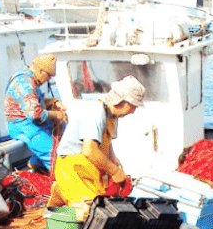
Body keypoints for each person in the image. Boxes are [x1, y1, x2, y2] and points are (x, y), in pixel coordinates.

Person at [51, 75, 145, 207]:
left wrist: (115, 162)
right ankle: (55, 222)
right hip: (73, 171)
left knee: (102, 207)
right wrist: (114, 171)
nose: (133, 111)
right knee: (86, 211)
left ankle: (60, 218)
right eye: (133, 106)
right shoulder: (95, 111)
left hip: (90, 171)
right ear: (123, 101)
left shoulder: (112, 116)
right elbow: (89, 151)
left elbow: (107, 144)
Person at [4, 55, 67, 174]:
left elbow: (33, 101)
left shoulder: (29, 79)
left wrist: (52, 102)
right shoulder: (25, 83)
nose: (48, 80)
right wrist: (56, 115)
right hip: (24, 127)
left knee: (61, 132)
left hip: (33, 125)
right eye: (48, 76)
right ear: (40, 71)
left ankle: (37, 163)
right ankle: (61, 180)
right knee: (56, 160)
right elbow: (35, 114)